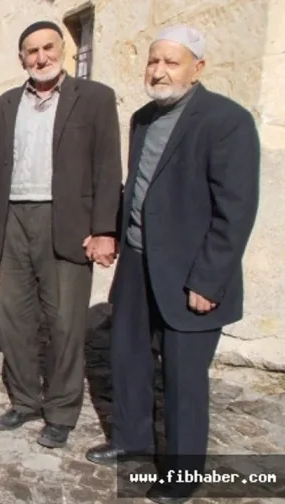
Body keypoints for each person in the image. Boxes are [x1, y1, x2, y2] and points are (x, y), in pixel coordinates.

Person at [84, 26, 260, 503]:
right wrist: (111, 232)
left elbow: (235, 210)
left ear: (197, 69)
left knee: (183, 380)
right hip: (138, 266)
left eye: (171, 62)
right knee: (128, 358)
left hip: (191, 273)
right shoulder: (142, 118)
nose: (158, 71)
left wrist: (209, 278)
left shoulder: (227, 120)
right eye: (153, 61)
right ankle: (132, 441)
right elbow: (138, 187)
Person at [0, 21, 122, 448]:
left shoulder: (94, 99)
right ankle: (23, 400)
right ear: (21, 58)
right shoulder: (3, 106)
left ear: (65, 50)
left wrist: (104, 230)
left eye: (48, 48)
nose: (41, 57)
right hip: (12, 220)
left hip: (68, 223)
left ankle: (60, 410)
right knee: (13, 318)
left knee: (65, 322)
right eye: (31, 51)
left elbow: (108, 168)